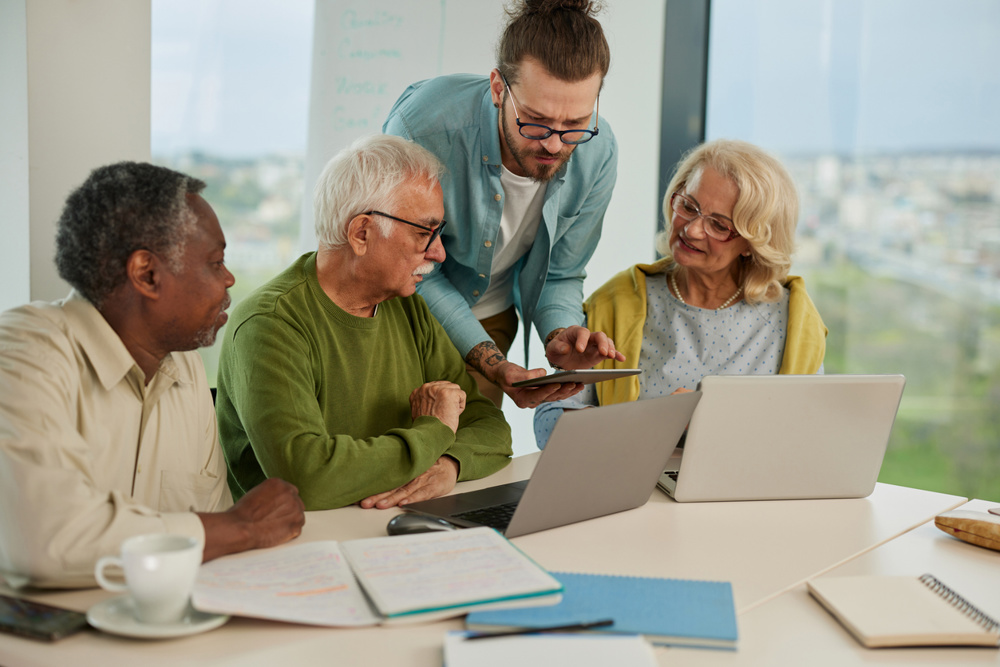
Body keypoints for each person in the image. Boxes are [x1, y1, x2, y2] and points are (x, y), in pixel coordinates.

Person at [0, 162, 305, 589]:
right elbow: (47, 539)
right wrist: (242, 526)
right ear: (147, 274)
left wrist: (227, 532)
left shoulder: (184, 366)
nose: (230, 278)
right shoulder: (23, 351)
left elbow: (212, 544)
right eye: (215, 262)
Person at [216, 135, 513, 511]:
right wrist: (434, 432)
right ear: (361, 233)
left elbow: (490, 426)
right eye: (424, 233)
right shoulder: (269, 325)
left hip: (396, 532)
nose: (438, 253)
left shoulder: (411, 310)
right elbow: (308, 479)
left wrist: (449, 464)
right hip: (299, 548)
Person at [383, 0, 624, 409]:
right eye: (536, 120)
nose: (554, 143)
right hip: (397, 309)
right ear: (498, 88)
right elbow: (413, 266)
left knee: (469, 458)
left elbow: (561, 274)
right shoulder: (421, 129)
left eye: (575, 124)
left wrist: (560, 333)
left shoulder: (598, 153)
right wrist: (493, 362)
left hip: (490, 315)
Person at [534, 139, 829, 447]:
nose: (692, 229)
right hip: (634, 489)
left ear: (752, 242)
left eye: (717, 225)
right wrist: (646, 423)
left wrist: (713, 420)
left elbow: (806, 438)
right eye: (688, 206)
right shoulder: (619, 301)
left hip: (748, 491)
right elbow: (547, 420)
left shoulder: (793, 319)